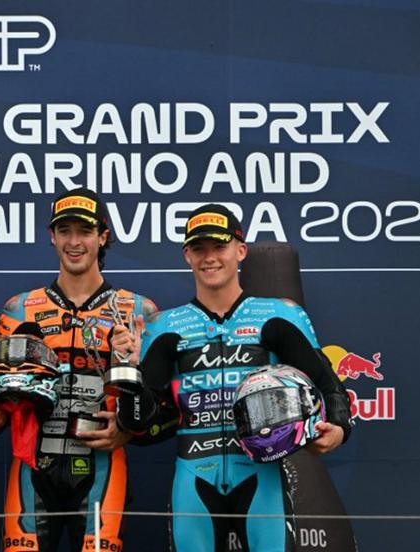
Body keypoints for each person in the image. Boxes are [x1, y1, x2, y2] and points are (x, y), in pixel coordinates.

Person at [120, 204, 353, 552]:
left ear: (240, 250)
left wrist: (339, 427)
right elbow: (143, 421)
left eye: (220, 246)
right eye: (199, 248)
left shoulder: (278, 315)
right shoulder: (163, 327)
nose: (209, 258)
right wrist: (128, 368)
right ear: (187, 255)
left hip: (262, 475)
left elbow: (326, 381)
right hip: (193, 475)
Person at [0, 188, 157, 552]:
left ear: (102, 237)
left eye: (84, 231)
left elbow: (156, 409)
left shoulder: (138, 311)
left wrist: (129, 428)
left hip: (103, 465)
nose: (74, 242)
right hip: (32, 466)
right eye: (65, 231)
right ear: (52, 236)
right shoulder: (19, 309)